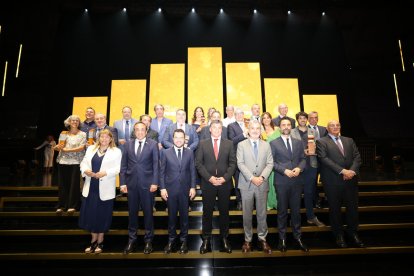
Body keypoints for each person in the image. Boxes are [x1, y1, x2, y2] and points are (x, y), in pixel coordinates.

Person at [316, 120, 364, 248]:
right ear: (327, 128)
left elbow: (357, 157)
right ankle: (339, 235)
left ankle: (353, 233)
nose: (335, 127)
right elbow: (324, 159)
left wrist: (352, 171)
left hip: (351, 180)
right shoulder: (321, 142)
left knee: (353, 209)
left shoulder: (349, 140)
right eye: (332, 125)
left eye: (337, 125)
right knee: (335, 209)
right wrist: (342, 171)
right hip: (333, 181)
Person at [195, 120, 236, 254]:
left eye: (219, 127)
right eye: (214, 127)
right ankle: (206, 240)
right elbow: (199, 164)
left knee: (224, 212)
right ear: (210, 129)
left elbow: (232, 163)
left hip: (225, 183)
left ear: (222, 130)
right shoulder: (202, 144)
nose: (217, 130)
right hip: (208, 184)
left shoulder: (229, 144)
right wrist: (210, 178)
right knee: (207, 212)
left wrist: (224, 178)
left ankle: (224, 239)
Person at [79, 129, 122, 254]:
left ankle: (101, 240)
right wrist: (86, 171)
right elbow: (83, 163)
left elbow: (118, 168)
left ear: (111, 139)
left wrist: (105, 173)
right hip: (91, 186)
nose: (104, 139)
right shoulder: (90, 149)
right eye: (102, 137)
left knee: (103, 215)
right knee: (91, 214)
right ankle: (93, 240)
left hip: (106, 187)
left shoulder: (116, 151)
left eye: (106, 137)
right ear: (99, 138)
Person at [120, 122, 159, 254]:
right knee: (132, 214)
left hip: (148, 185)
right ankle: (132, 240)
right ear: (134, 131)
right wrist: (123, 183)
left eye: (143, 129)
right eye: (137, 130)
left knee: (148, 213)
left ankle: (148, 241)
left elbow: (156, 165)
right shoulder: (127, 144)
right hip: (131, 185)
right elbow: (123, 165)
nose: (140, 132)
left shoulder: (153, 144)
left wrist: (155, 182)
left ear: (146, 131)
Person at [270, 118, 308, 252]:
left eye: (288, 125)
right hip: (282, 181)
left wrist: (299, 168)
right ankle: (282, 239)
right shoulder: (273, 143)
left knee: (296, 211)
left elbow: (303, 159)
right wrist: (284, 170)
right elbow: (271, 162)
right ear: (279, 127)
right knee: (282, 211)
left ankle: (298, 237)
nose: (286, 127)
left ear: (291, 127)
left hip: (297, 181)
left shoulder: (298, 143)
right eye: (283, 125)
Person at [237, 120, 274, 254]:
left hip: (262, 184)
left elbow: (270, 163)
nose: (255, 130)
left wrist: (262, 178)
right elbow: (240, 163)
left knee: (262, 213)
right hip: (247, 184)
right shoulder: (241, 145)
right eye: (252, 128)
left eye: (257, 128)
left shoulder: (266, 145)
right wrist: (252, 178)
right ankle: (247, 240)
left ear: (261, 130)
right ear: (248, 129)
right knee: (247, 214)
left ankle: (262, 238)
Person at [160, 129, 196, 254]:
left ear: (185, 138)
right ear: (173, 138)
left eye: (181, 137)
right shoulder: (165, 153)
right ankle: (171, 240)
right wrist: (163, 188)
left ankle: (184, 241)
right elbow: (162, 172)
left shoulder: (190, 152)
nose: (179, 139)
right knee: (171, 217)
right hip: (170, 190)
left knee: (185, 217)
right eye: (176, 137)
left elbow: (192, 171)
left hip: (185, 190)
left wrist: (193, 187)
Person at [291, 112, 325, 227]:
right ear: (297, 120)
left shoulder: (313, 132)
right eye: (300, 118)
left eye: (304, 118)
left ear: (307, 120)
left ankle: (311, 216)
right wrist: (302, 152)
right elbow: (290, 150)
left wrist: (314, 149)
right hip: (297, 166)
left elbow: (318, 146)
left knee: (309, 192)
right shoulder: (291, 132)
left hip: (311, 165)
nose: (302, 120)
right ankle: (295, 219)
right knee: (296, 193)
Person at [54, 115, 86, 214]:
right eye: (73, 120)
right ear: (69, 122)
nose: (75, 122)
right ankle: (62, 206)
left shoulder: (83, 134)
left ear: (79, 123)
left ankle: (73, 206)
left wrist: (67, 150)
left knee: (74, 185)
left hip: (76, 162)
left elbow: (81, 148)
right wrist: (56, 147)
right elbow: (59, 146)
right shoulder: (63, 133)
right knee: (63, 185)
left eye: (77, 120)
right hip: (63, 161)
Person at [227, 108, 248, 210]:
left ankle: (249, 201)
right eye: (237, 114)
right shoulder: (231, 126)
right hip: (238, 158)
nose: (239, 115)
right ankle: (239, 201)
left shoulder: (249, 124)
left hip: (250, 157)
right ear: (235, 116)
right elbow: (231, 141)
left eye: (241, 113)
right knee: (238, 180)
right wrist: (244, 134)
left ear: (243, 114)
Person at [260, 112, 281, 210]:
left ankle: (277, 203)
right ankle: (269, 203)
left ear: (271, 119)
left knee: (277, 182)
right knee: (268, 183)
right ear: (262, 121)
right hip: (267, 161)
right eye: (264, 118)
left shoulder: (278, 129)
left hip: (279, 160)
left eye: (268, 118)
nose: (266, 120)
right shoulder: (261, 133)